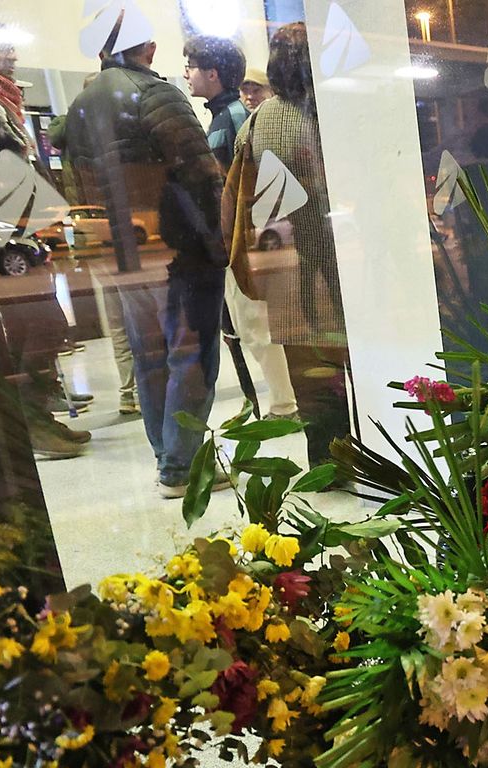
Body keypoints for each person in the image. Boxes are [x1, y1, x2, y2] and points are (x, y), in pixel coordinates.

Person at [63, 28, 229, 496]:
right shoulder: (157, 94)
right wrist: (219, 244)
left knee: (149, 356)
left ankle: (168, 459)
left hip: (122, 250)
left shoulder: (80, 105)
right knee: (190, 355)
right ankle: (180, 468)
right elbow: (201, 176)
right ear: (148, 47)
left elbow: (75, 184)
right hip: (178, 249)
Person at [0, 10, 91, 459]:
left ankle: (35, 417)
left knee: (38, 323)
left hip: (4, 237)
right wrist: (36, 201)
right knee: (38, 322)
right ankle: (29, 420)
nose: (12, 53)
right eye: (0, 45)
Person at [224, 23, 350, 470]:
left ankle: (328, 464)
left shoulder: (257, 121)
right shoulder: (337, 112)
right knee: (358, 356)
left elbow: (237, 200)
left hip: (283, 259)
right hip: (345, 255)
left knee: (310, 370)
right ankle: (377, 455)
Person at [184, 35, 296, 419]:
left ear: (212, 73)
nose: (187, 74)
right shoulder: (225, 117)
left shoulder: (234, 120)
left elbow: (243, 187)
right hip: (235, 239)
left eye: (192, 67)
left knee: (257, 325)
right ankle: (281, 400)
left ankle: (285, 403)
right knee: (251, 327)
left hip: (242, 240)